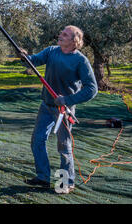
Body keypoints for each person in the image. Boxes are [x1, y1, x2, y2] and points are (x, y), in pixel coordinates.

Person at [18, 25, 98, 193]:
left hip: (63, 111)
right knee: (37, 140)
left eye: (65, 34)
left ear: (74, 41)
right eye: (61, 32)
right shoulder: (51, 51)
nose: (60, 35)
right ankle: (42, 177)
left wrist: (67, 100)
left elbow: (92, 89)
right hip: (46, 105)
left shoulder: (80, 60)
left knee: (63, 146)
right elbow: (34, 60)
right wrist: (25, 57)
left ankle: (66, 183)